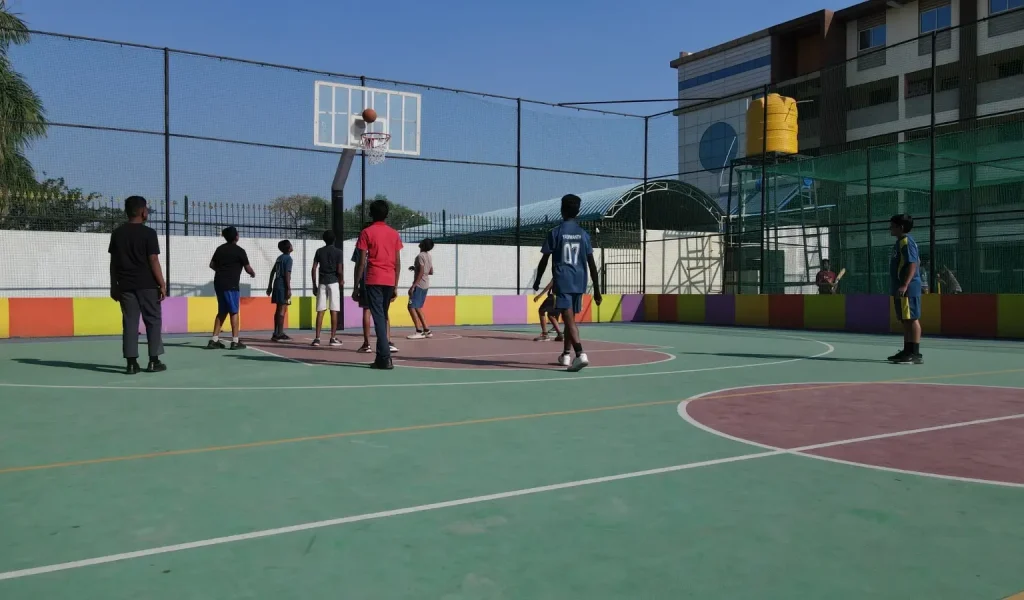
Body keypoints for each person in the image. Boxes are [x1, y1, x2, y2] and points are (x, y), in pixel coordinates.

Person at [532, 194, 602, 372]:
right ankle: (565, 354)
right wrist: (597, 290)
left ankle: (580, 354)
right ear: (578, 212)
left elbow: (544, 260)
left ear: (562, 210)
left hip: (563, 280)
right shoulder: (583, 234)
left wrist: (538, 279)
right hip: (580, 281)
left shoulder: (556, 232)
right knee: (570, 319)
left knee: (569, 320)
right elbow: (592, 264)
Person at [108, 195, 167, 374]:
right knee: (153, 321)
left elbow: (113, 262)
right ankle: (153, 360)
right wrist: (162, 283)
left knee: (130, 323)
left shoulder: (117, 233)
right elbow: (153, 259)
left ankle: (131, 363)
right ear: (143, 211)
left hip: (125, 285)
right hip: (148, 285)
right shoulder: (149, 233)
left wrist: (113, 285)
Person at [353, 199, 403, 369]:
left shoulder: (366, 232)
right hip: (389, 280)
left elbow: (361, 262)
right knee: (382, 316)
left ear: (371, 214)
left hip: (374, 279)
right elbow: (397, 262)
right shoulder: (394, 233)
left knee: (379, 319)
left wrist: (355, 286)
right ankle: (381, 356)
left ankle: (384, 357)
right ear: (387, 214)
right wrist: (396, 285)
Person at [351, 222, 398, 354]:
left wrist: (356, 285)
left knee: (367, 310)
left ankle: (367, 344)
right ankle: (387, 340)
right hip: (385, 279)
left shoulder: (362, 242)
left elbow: (359, 265)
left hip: (369, 280)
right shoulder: (385, 238)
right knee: (383, 311)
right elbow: (395, 261)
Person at [207, 226, 255, 350]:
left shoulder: (220, 249)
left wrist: (221, 271)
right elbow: (247, 267)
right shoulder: (240, 251)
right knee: (234, 311)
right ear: (236, 236)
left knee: (222, 311)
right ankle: (235, 341)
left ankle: (214, 339)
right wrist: (252, 273)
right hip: (231, 284)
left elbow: (212, 264)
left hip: (219, 283)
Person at [888, 214, 923, 365]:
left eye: (892, 226)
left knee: (912, 319)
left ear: (900, 227)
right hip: (901, 287)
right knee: (905, 319)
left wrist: (905, 284)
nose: (890, 228)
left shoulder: (907, 243)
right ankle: (907, 350)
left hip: (909, 287)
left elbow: (913, 264)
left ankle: (915, 353)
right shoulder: (900, 242)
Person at [311, 230, 344, 347]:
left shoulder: (319, 251)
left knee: (320, 310)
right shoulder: (339, 252)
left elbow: (314, 269)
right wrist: (341, 280)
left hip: (322, 282)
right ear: (334, 239)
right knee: (334, 310)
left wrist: (314, 284)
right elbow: (339, 270)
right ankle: (333, 338)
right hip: (333, 282)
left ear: (323, 239)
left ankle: (317, 338)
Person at [407, 238, 435, 339]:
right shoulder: (428, 256)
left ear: (423, 245)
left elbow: (422, 271)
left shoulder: (420, 256)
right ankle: (427, 330)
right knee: (418, 307)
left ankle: (419, 331)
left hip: (419, 285)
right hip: (426, 284)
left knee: (410, 307)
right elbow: (430, 271)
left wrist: (413, 285)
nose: (420, 242)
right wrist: (415, 268)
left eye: (422, 241)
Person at [267, 239, 293, 342]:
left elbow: (273, 271)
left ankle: (275, 332)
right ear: (288, 248)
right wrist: (289, 288)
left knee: (278, 309)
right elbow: (287, 273)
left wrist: (270, 286)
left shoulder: (279, 258)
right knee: (282, 309)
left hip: (276, 284)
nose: (292, 246)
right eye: (291, 245)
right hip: (283, 285)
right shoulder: (288, 259)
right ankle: (280, 334)